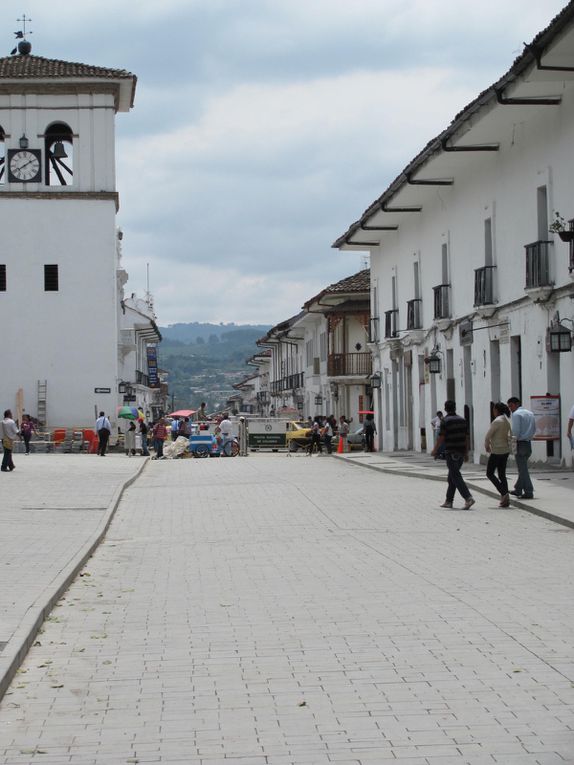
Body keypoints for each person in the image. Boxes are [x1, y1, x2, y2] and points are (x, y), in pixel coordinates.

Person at [431, 400, 475, 510]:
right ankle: (449, 501)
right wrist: (466, 452)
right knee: (452, 477)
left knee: (455, 476)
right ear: (455, 408)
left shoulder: (445, 421)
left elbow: (441, 437)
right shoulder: (462, 420)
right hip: (460, 451)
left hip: (451, 452)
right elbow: (466, 437)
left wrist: (435, 450)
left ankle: (468, 498)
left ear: (445, 409)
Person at [507, 396, 536, 499]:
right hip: (528, 443)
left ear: (516, 404)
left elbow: (516, 432)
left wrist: (512, 444)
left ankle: (529, 491)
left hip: (520, 444)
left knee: (523, 470)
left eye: (511, 406)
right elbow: (534, 429)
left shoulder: (516, 414)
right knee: (522, 469)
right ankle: (518, 489)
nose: (510, 409)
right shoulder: (530, 413)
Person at [484, 402, 512, 507]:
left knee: (490, 473)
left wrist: (487, 445)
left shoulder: (497, 421)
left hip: (497, 451)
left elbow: (488, 436)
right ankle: (505, 499)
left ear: (496, 410)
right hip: (505, 450)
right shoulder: (506, 421)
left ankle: (504, 493)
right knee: (502, 474)